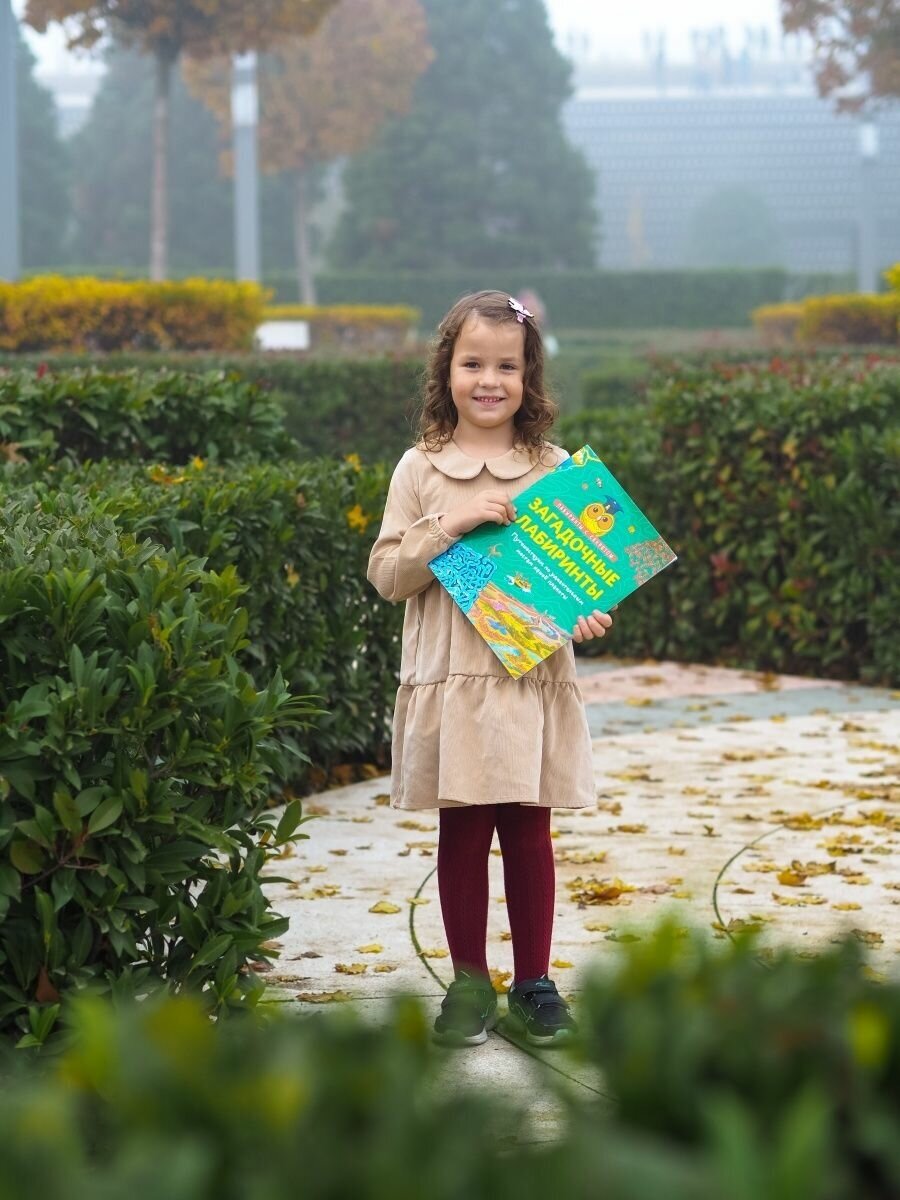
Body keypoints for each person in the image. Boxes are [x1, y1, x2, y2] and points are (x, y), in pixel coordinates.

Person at [366, 290, 613, 1049]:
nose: (489, 380)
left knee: (529, 830)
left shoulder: (554, 468)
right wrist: (452, 522)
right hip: (453, 686)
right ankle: (469, 985)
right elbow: (387, 575)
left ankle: (535, 984)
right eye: (473, 363)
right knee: (464, 831)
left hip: (527, 682)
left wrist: (584, 612)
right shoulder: (420, 468)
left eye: (507, 366)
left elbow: (573, 581)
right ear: (447, 370)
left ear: (529, 376)